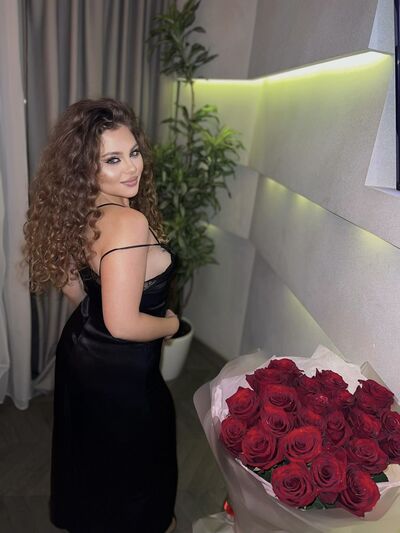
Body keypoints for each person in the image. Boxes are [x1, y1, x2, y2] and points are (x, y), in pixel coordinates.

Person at [22, 98, 179, 533]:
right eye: (112, 159)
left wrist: (97, 315)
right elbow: (123, 324)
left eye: (133, 152)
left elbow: (72, 283)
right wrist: (172, 324)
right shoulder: (128, 223)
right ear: (85, 167)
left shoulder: (79, 208)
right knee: (138, 456)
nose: (131, 167)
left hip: (83, 351)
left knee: (95, 451)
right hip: (120, 364)